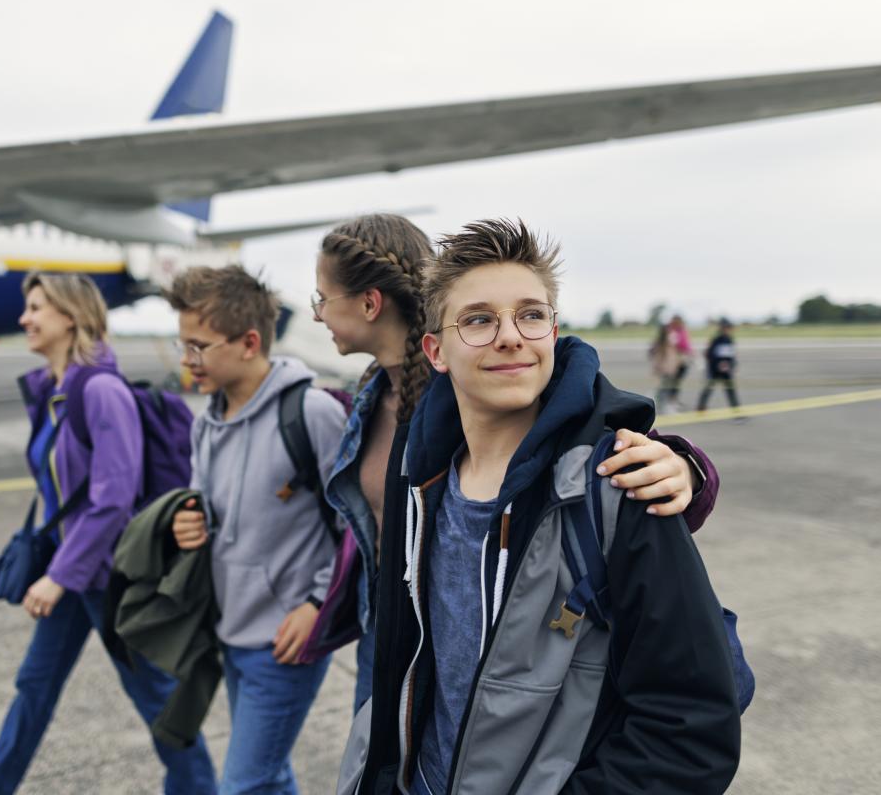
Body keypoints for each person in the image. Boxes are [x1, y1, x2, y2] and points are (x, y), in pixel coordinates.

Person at [339, 219, 740, 794]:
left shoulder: (617, 484)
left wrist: (690, 468)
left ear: (553, 332)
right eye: (478, 320)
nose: (510, 336)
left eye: (531, 315)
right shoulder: (418, 478)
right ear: (436, 351)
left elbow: (690, 725)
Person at [0, 272, 216, 795]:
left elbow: (113, 498)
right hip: (74, 571)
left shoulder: (101, 391)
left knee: (158, 702)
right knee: (33, 689)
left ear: (72, 316)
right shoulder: (56, 393)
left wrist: (58, 576)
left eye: (36, 307)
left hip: (109, 577)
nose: (24, 318)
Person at [165, 265, 347, 795]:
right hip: (228, 631)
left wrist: (317, 606)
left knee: (243, 784)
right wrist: (186, 524)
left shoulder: (311, 414)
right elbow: (205, 504)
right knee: (269, 778)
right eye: (182, 345)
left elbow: (359, 531)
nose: (185, 360)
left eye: (198, 346)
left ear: (248, 342)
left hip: (286, 640)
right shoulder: (206, 419)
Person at [698, 318, 742, 413]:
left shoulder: (730, 340)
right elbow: (709, 354)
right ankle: (701, 407)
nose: (728, 330)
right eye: (727, 328)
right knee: (708, 389)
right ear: (722, 328)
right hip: (714, 371)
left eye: (730, 328)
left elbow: (731, 355)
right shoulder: (716, 340)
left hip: (726, 371)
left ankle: (736, 409)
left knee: (730, 391)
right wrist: (718, 364)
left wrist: (732, 365)